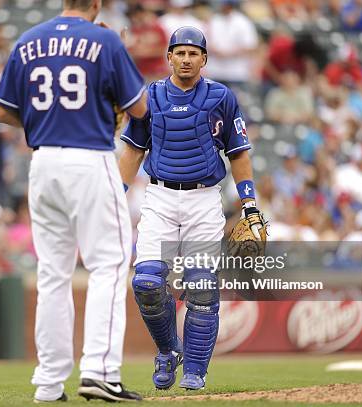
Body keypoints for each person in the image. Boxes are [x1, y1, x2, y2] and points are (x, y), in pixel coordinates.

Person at [0, 0, 148, 401]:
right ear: (96, 4)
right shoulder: (105, 40)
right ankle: (100, 370)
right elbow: (140, 108)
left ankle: (48, 383)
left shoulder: (28, 40)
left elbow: (3, 111)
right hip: (88, 158)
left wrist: (51, 116)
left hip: (42, 162)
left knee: (53, 274)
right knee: (109, 264)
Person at [118, 27, 265, 390]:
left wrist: (249, 204)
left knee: (201, 286)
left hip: (203, 199)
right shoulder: (148, 98)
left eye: (192, 53)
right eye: (179, 53)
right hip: (159, 197)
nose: (185, 59)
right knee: (147, 282)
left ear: (204, 59)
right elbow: (134, 151)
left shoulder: (221, 96)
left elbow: (239, 153)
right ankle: (168, 350)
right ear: (168, 57)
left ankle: (196, 372)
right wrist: (115, 197)